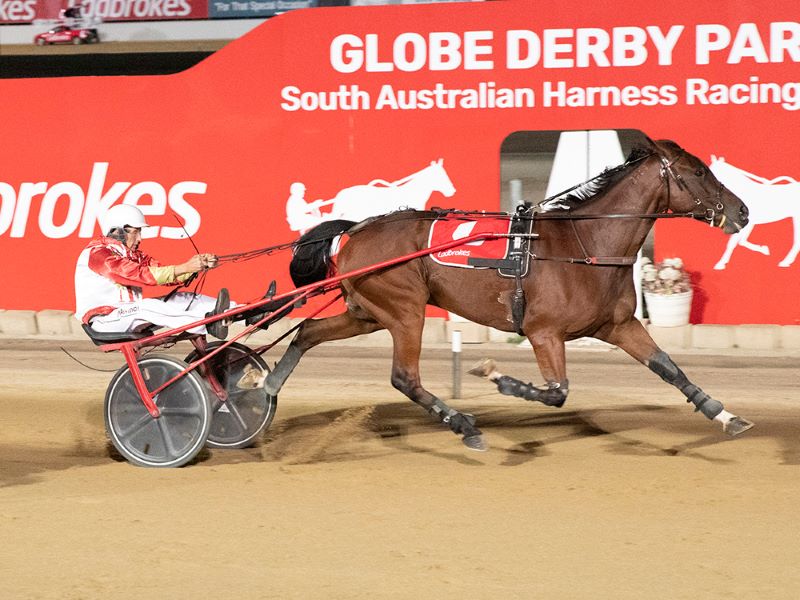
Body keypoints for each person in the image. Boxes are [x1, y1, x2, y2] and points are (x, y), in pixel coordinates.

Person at [74, 204, 232, 339]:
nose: (140, 239)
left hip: (129, 315)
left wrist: (196, 267)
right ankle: (209, 323)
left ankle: (239, 311)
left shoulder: (133, 255)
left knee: (183, 298)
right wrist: (185, 267)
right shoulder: (98, 253)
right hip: (105, 321)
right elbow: (139, 274)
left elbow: (163, 274)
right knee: (147, 306)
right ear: (117, 231)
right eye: (136, 232)